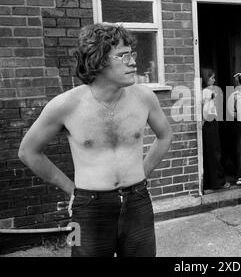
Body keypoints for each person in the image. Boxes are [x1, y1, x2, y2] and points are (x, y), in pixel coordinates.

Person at [18, 23, 173, 257]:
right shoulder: (66, 105)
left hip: (138, 202)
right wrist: (71, 190)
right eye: (123, 55)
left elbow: (165, 135)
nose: (133, 62)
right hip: (89, 209)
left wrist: (143, 172)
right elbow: (28, 151)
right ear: (98, 60)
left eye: (133, 54)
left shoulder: (144, 97)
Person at [201, 67, 230, 190]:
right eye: (211, 77)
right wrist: (204, 121)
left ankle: (209, 182)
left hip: (210, 121)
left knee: (210, 152)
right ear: (206, 79)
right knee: (215, 152)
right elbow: (206, 110)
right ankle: (218, 183)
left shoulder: (205, 91)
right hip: (210, 121)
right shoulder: (208, 92)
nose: (214, 80)